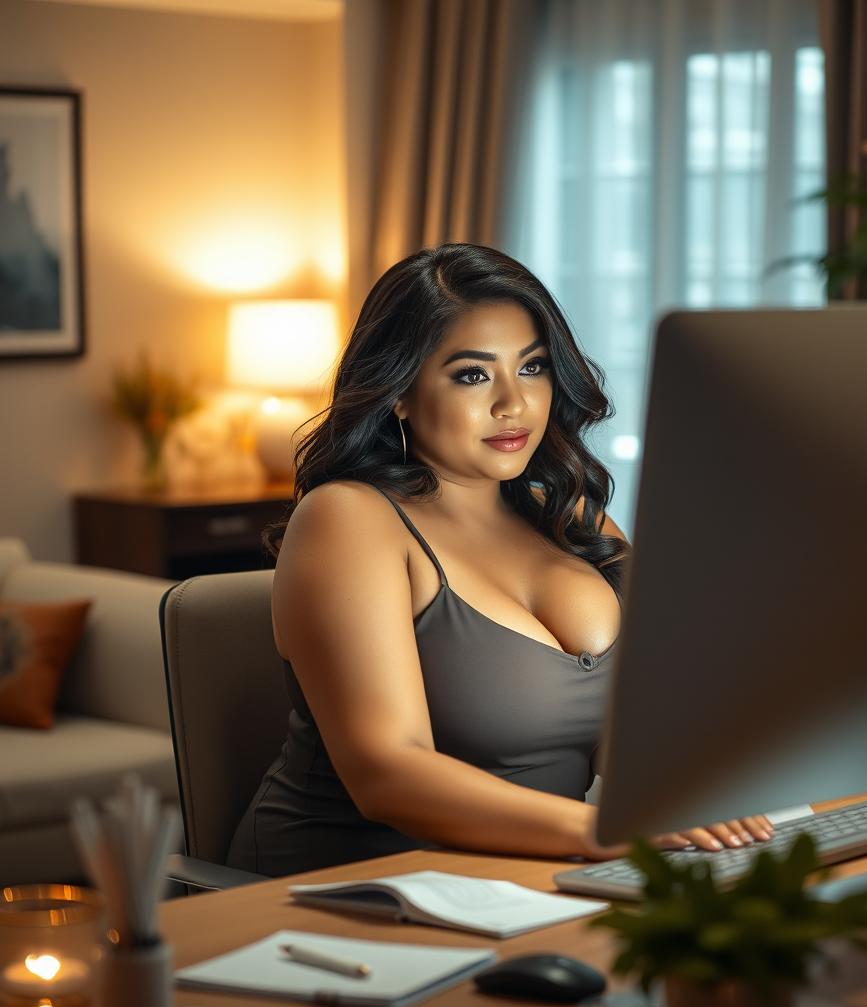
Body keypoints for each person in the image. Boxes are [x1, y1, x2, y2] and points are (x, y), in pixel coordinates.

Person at [227, 243, 772, 876]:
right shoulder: (348, 518)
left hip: (537, 876)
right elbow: (387, 772)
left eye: (533, 368)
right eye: (472, 374)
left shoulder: (571, 513)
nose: (513, 403)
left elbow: (644, 725)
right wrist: (608, 830)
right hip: (353, 893)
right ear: (399, 392)